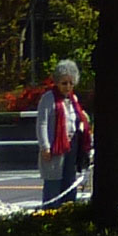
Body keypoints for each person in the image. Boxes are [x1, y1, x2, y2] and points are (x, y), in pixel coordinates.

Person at [38, 61, 94, 207]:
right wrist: (45, 146)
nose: (68, 86)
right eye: (64, 83)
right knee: (53, 183)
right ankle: (51, 213)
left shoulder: (73, 99)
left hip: (72, 145)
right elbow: (42, 123)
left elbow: (78, 119)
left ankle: (68, 211)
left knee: (70, 181)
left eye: (71, 83)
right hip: (54, 147)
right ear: (57, 82)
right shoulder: (48, 98)